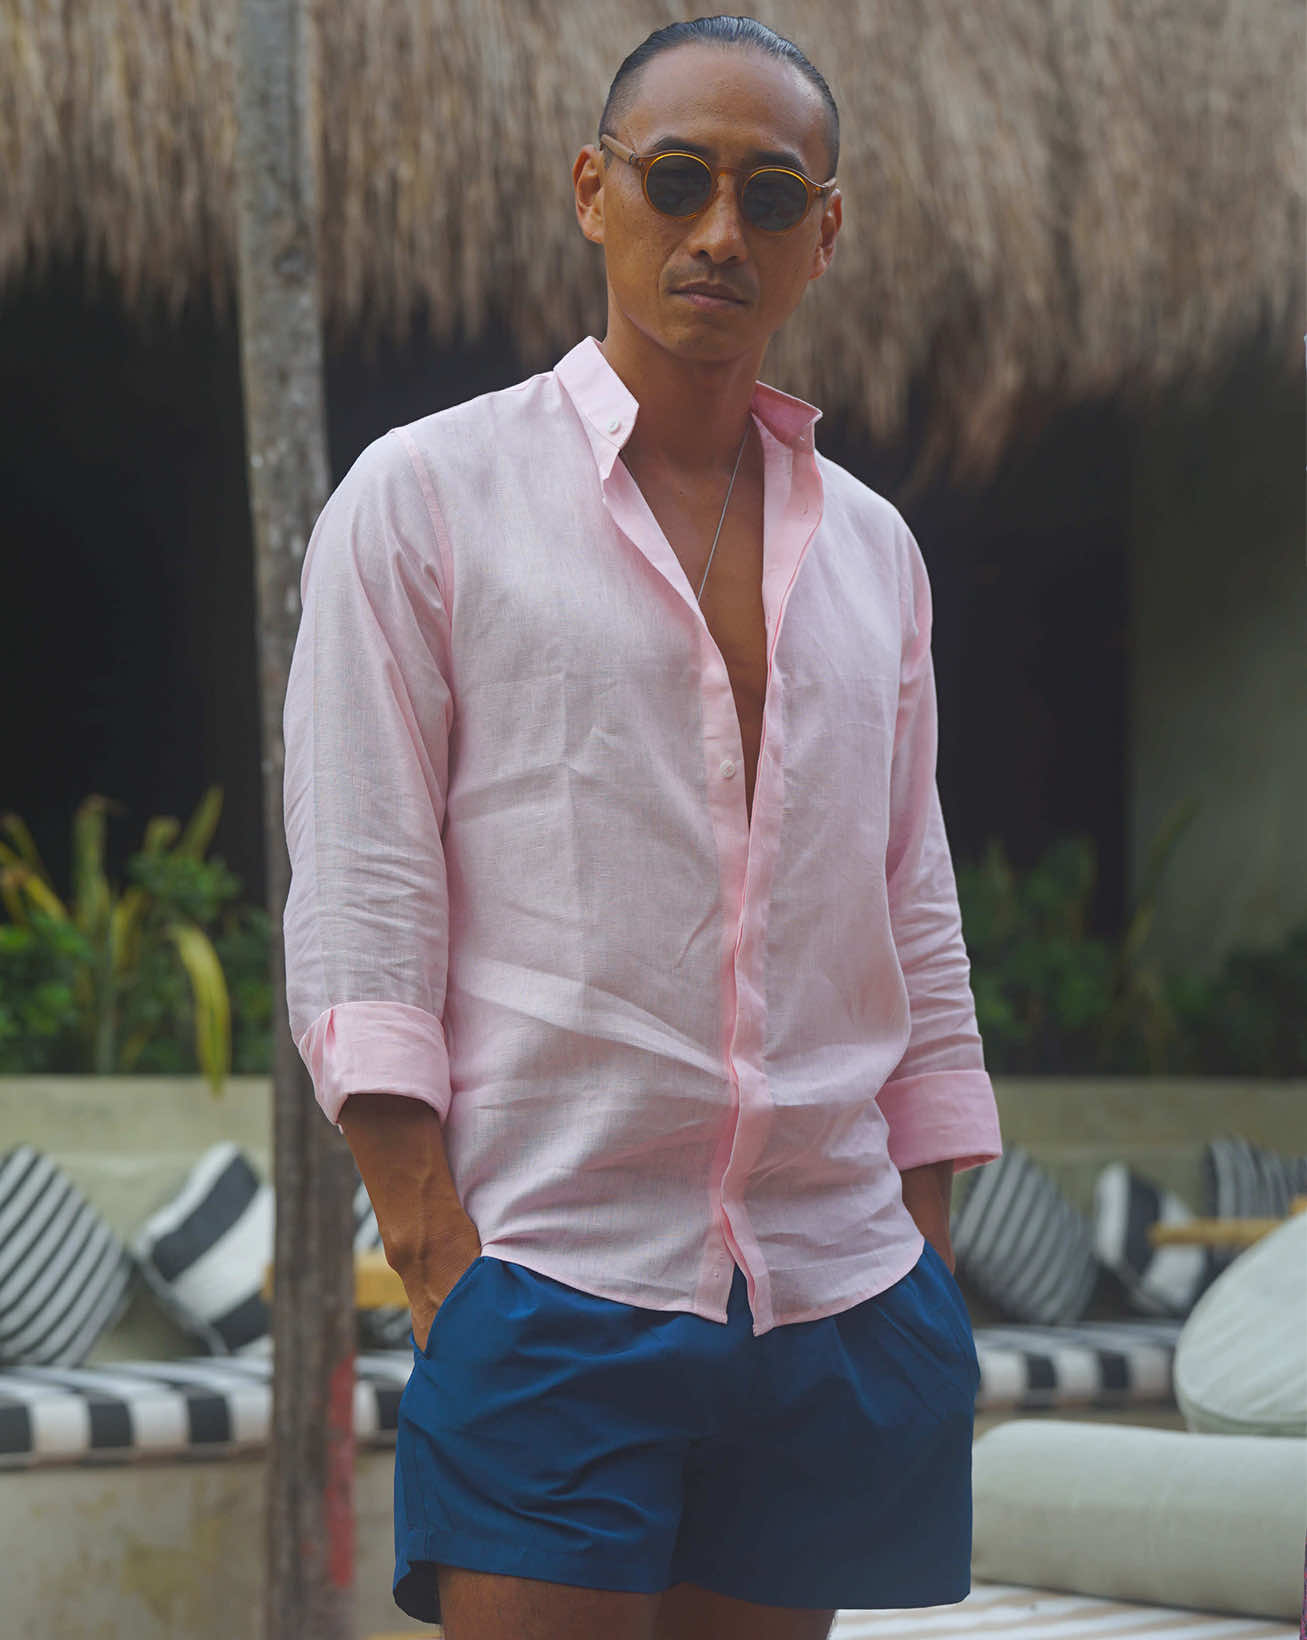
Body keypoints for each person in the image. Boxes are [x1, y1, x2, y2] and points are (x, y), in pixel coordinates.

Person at [282, 16, 1002, 1640]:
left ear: (825, 232)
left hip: (828, 1282)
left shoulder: (877, 551)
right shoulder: (427, 497)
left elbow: (909, 891)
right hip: (552, 1269)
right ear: (593, 191)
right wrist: (438, 1257)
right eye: (677, 180)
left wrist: (923, 1242)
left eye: (769, 195)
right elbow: (365, 888)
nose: (719, 231)